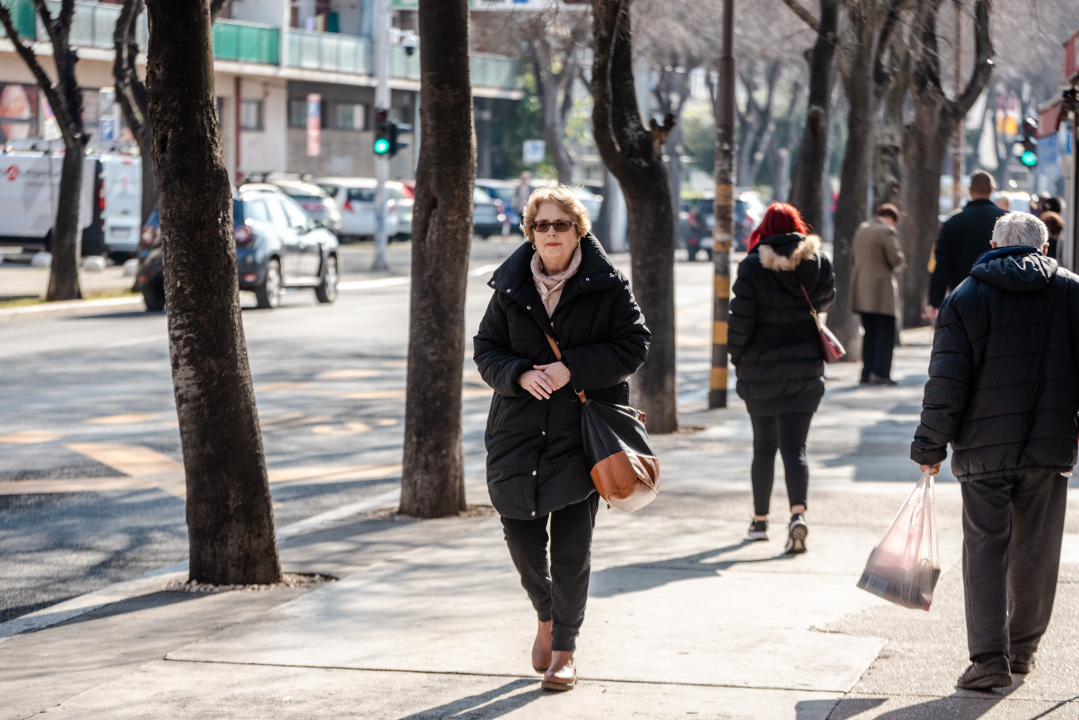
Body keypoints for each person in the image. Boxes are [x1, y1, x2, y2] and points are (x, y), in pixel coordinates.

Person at [474, 185, 650, 691]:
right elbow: (486, 348)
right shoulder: (510, 286)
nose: (550, 234)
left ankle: (565, 650)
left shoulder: (608, 285)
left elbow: (635, 345)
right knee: (522, 540)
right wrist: (517, 375)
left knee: (571, 551)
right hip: (517, 435)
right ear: (530, 232)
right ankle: (546, 617)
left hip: (580, 438)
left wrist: (570, 369)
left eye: (561, 225)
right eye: (541, 225)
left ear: (579, 231)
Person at [912, 213, 1078, 690]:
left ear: (993, 244)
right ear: (1044, 249)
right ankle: (1022, 650)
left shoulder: (965, 297)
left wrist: (930, 444)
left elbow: (946, 383)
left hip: (982, 447)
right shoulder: (1071, 292)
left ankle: (989, 660)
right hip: (1050, 442)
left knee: (985, 546)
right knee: (1037, 548)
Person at [728, 203, 836, 554]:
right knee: (795, 448)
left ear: (765, 228)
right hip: (805, 370)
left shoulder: (751, 266)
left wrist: (738, 359)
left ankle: (760, 521)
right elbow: (826, 301)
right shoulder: (818, 262)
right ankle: (797, 515)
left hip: (760, 372)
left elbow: (739, 322)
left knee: (763, 448)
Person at [926, 171, 1007, 321]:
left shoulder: (953, 222)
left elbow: (942, 263)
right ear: (991, 190)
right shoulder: (1007, 220)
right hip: (1000, 297)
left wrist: (935, 301)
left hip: (963, 296)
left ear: (970, 191)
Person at [850, 203, 907, 385]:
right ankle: (880, 373)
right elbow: (895, 258)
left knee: (870, 333)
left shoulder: (862, 229)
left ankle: (866, 372)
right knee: (885, 334)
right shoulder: (886, 231)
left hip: (862, 290)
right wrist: (901, 257)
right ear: (891, 218)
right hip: (881, 292)